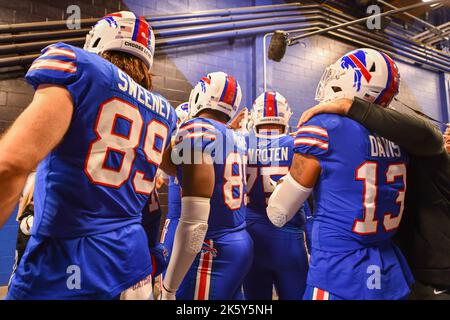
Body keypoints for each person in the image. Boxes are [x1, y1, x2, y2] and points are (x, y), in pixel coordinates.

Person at [0, 11, 176, 299]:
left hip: (66, 264)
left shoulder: (82, 69)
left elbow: (10, 165)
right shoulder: (164, 111)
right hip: (133, 264)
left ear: (96, 41)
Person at [267, 48, 413, 300]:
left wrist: (280, 185)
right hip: (390, 272)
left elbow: (279, 213)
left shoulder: (325, 126)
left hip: (340, 274)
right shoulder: (400, 135)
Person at [298, 100, 450, 300]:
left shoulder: (436, 157)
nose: (447, 136)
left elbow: (427, 133)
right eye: (447, 131)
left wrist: (348, 105)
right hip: (399, 267)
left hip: (435, 276)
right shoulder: (416, 155)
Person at [160, 72, 253, 300]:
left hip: (211, 245)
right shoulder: (236, 136)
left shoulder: (198, 127)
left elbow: (195, 222)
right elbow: (175, 169)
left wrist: (168, 288)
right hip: (239, 239)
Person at [243, 91, 309, 300]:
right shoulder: (297, 143)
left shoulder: (240, 142)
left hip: (252, 236)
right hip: (289, 239)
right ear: (286, 115)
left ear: (255, 116)